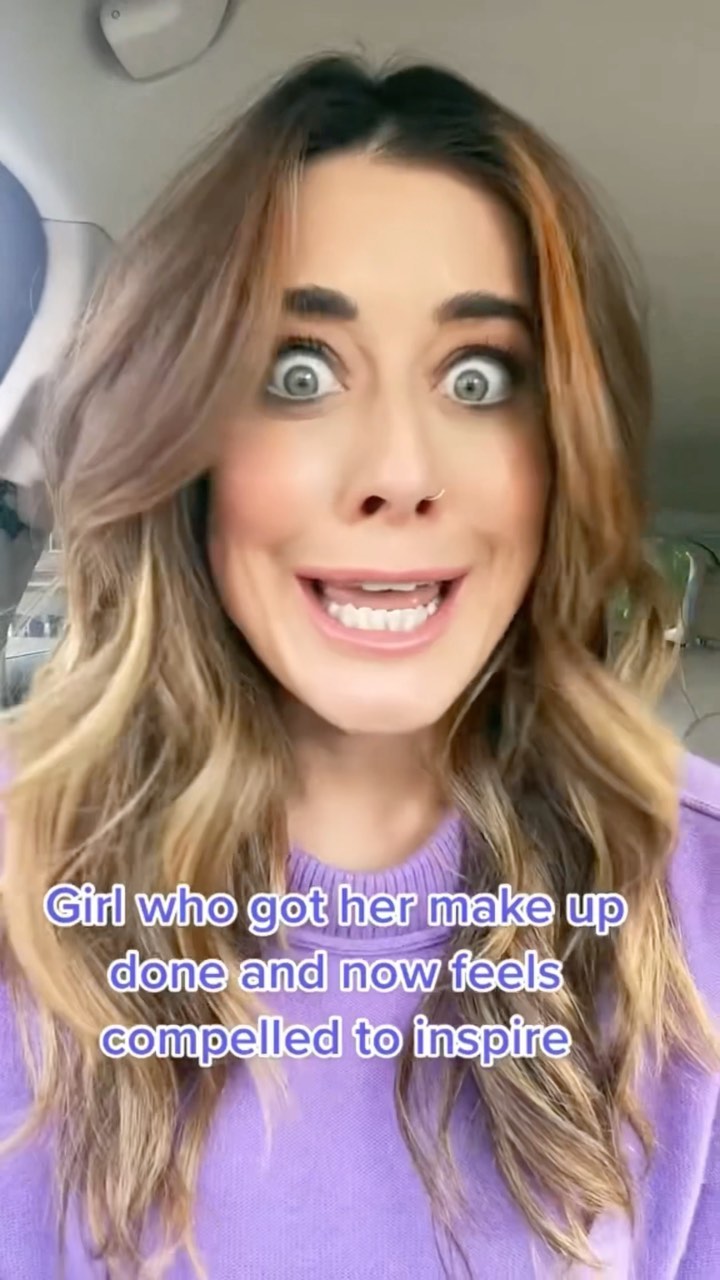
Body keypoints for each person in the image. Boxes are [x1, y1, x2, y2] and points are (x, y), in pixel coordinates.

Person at [0, 52, 718, 1280]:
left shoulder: (698, 894)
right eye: (300, 373)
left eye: (480, 378)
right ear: (188, 448)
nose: (397, 470)